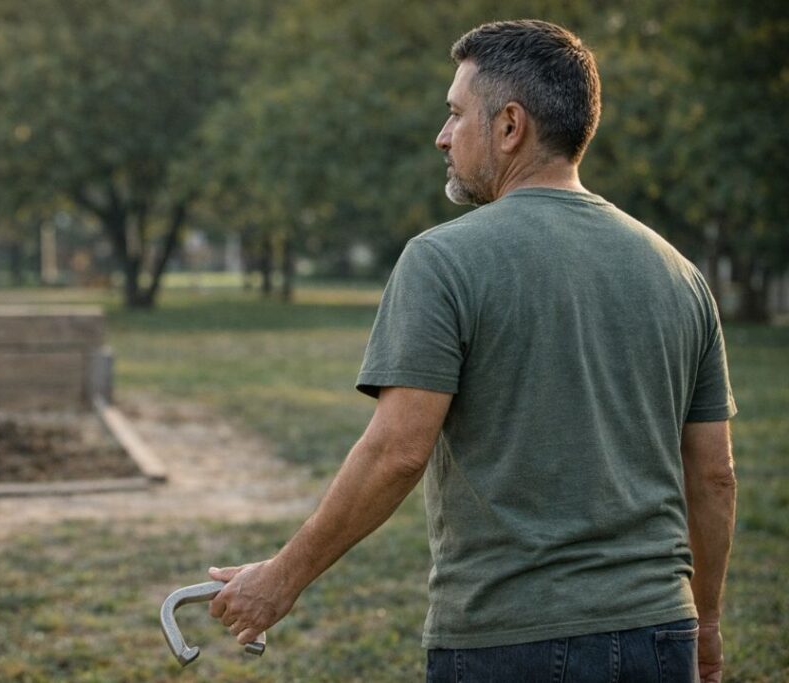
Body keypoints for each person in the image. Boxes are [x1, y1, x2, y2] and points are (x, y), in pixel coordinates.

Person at [207, 19, 737, 682]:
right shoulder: (680, 274)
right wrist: (706, 625)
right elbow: (714, 474)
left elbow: (398, 450)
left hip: (508, 640)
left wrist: (282, 578)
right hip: (660, 635)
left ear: (510, 125)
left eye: (456, 114)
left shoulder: (443, 259)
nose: (442, 135)